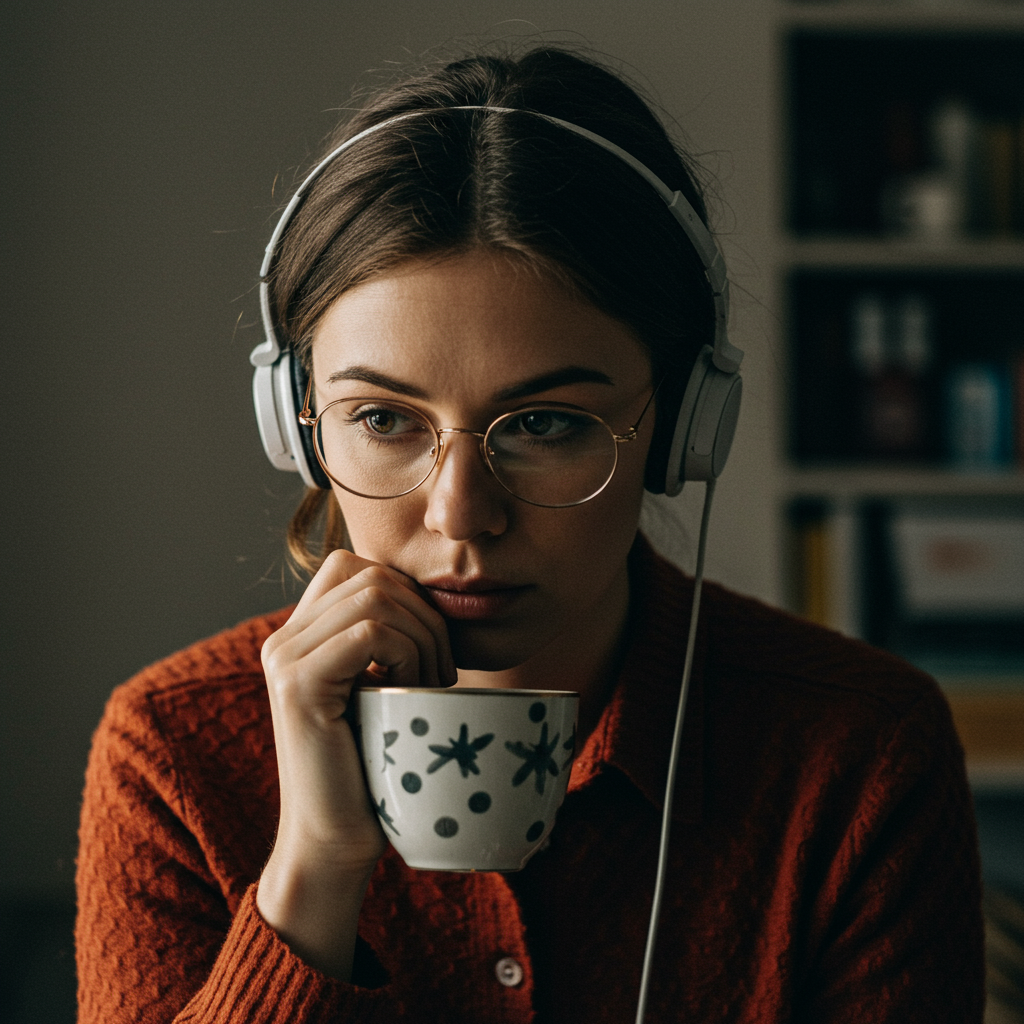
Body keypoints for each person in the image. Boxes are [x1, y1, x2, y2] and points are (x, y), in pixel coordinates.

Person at [75, 46, 985, 1023]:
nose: (461, 514)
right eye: (382, 419)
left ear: (683, 426)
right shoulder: (171, 753)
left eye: (545, 423)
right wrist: (313, 869)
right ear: (293, 423)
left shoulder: (860, 754)